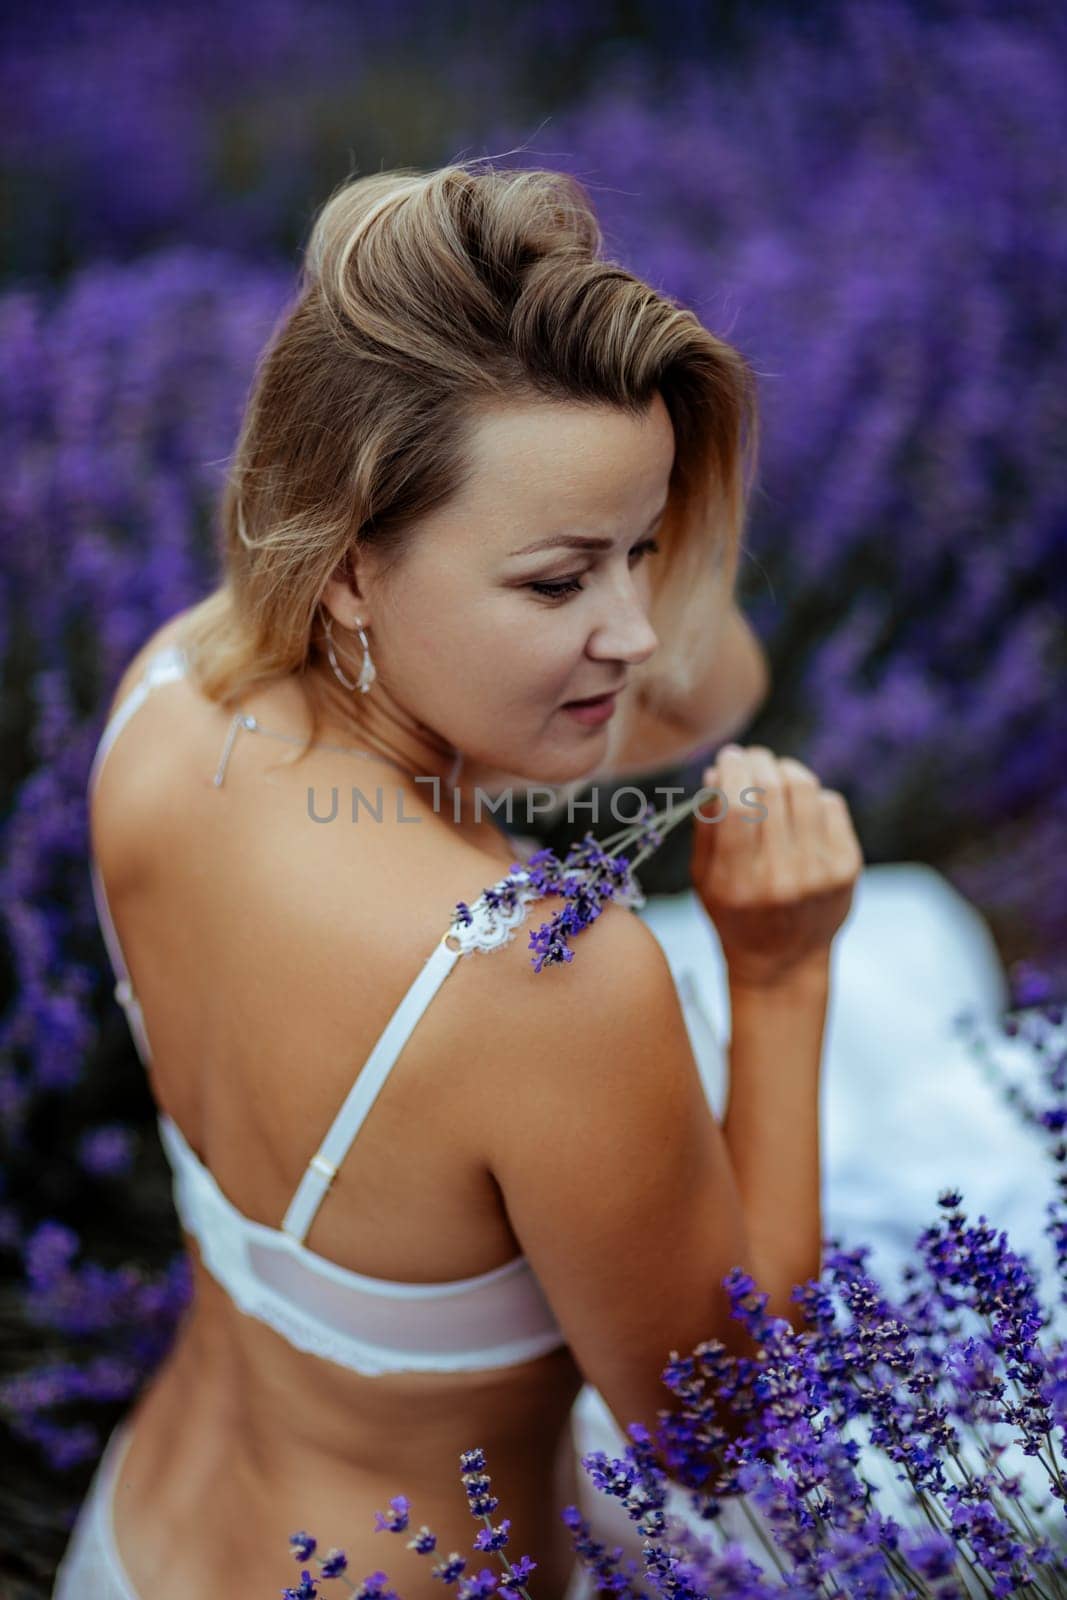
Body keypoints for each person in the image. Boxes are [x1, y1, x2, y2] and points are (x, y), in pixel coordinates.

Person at [53, 160, 862, 1600]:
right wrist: (783, 975)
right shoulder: (544, 982)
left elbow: (701, 673)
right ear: (354, 570)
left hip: (131, 1548)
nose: (629, 629)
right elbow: (727, 1441)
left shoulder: (169, 693)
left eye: (650, 548)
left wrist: (580, 540)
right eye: (560, 584)